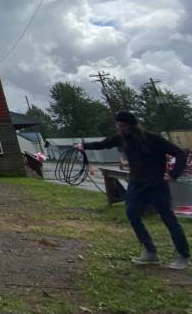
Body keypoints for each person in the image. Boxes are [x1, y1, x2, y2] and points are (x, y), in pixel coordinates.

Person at [76, 111, 189, 270]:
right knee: (132, 213)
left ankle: (183, 256)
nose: (121, 129)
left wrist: (173, 174)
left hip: (156, 184)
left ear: (132, 125)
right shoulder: (121, 138)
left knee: (168, 218)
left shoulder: (153, 139)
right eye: (119, 126)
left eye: (123, 126)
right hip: (137, 184)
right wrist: (84, 146)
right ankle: (150, 252)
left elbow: (180, 153)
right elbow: (104, 143)